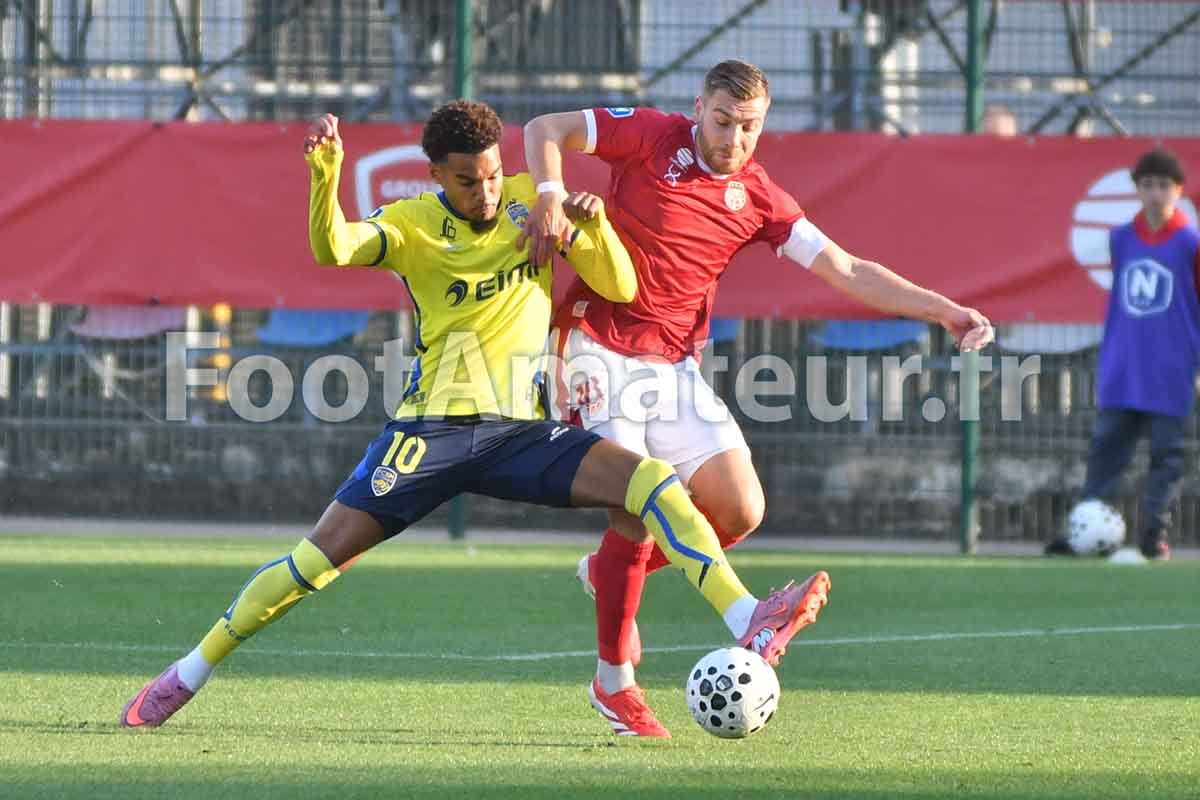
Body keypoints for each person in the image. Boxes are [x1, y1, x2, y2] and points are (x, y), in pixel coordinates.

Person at [119, 100, 832, 731]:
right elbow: (331, 248)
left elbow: (619, 282)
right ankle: (187, 672)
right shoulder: (410, 225)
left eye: (493, 174)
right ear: (437, 177)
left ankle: (747, 618)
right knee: (313, 564)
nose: (487, 190)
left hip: (518, 432)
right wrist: (325, 176)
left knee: (648, 482)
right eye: (468, 179)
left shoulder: (530, 201)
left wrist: (591, 228)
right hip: (430, 434)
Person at [520, 59, 994, 736]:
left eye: (750, 127)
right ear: (698, 109)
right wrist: (547, 192)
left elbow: (849, 269)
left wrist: (943, 310)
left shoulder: (760, 197)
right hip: (594, 343)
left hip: (673, 365)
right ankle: (613, 681)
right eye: (722, 121)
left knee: (740, 507)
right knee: (633, 500)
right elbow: (546, 126)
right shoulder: (653, 136)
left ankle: (608, 572)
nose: (734, 140)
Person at [1045, 148, 1198, 561]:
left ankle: (1154, 533)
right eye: (1147, 185)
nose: (1155, 194)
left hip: (1172, 366)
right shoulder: (1120, 238)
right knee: (1106, 449)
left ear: (1179, 191)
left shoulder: (1190, 242)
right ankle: (1084, 530)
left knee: (1166, 454)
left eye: (1163, 186)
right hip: (1125, 364)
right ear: (1137, 189)